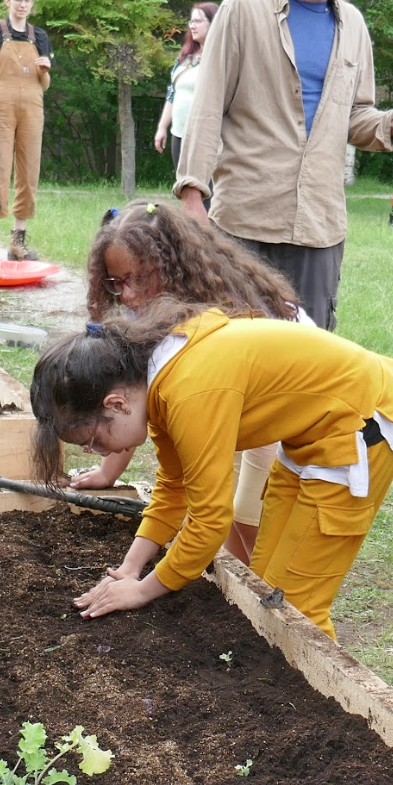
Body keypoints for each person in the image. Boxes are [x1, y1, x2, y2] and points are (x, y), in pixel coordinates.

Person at [31, 301, 393, 639]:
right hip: (311, 433)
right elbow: (173, 487)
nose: (97, 451)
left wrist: (144, 591)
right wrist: (129, 570)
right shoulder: (158, 384)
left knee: (298, 613)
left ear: (116, 404)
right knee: (267, 588)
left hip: (358, 426)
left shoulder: (189, 392)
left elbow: (210, 519)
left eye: (94, 440)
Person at [172, 0, 393, 328]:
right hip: (244, 219)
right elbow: (206, 108)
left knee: (309, 359)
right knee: (229, 346)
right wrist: (192, 195)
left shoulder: (354, 26)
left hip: (319, 227)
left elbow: (356, 117)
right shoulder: (243, 8)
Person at [67, 199, 308, 562]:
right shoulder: (147, 311)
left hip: (284, 395)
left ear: (171, 264)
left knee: (247, 511)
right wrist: (106, 472)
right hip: (232, 393)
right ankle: (246, 585)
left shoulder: (215, 302)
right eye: (116, 283)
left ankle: (270, 594)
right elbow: (132, 401)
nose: (128, 295)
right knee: (223, 508)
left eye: (139, 279)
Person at [0, 0, 53, 261]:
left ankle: (18, 242)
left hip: (33, 108)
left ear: (33, 3)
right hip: (0, 107)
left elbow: (44, 85)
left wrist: (45, 70)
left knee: (29, 171)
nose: (23, 5)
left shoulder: (40, 37)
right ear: (7, 1)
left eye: (27, 0)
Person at [153, 2, 216, 172]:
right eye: (191, 21)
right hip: (179, 133)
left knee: (206, 191)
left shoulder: (219, 59)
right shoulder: (184, 58)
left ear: (214, 23)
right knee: (184, 187)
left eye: (198, 21)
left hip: (206, 137)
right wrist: (162, 128)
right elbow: (172, 94)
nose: (192, 26)